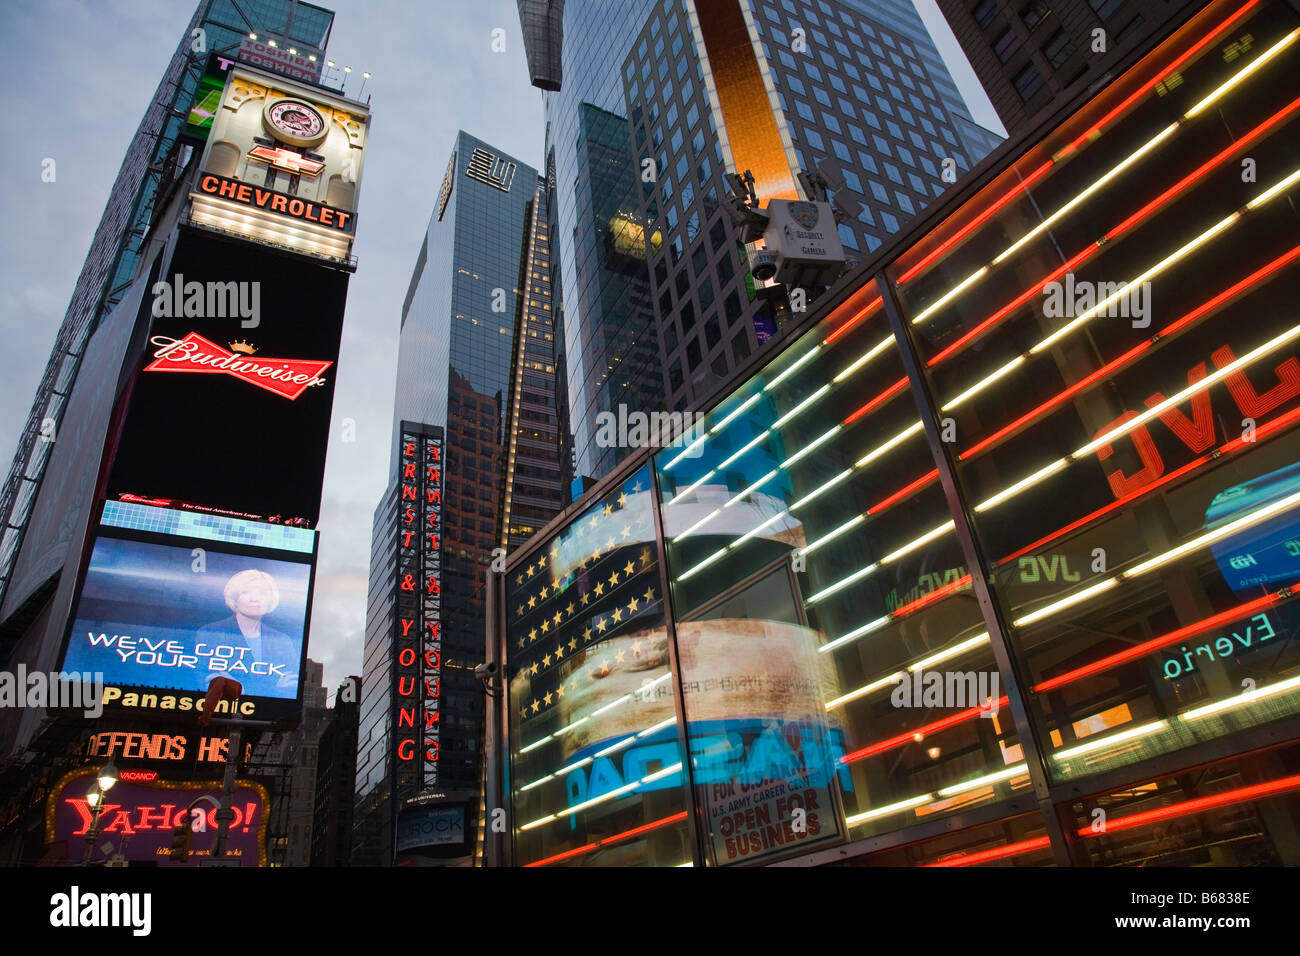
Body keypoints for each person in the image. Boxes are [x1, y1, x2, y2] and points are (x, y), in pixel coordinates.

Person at [196, 569, 299, 698]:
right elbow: (204, 680)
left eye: (262, 593)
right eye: (245, 592)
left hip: (268, 712)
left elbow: (291, 684)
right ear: (234, 598)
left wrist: (238, 686)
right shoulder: (211, 633)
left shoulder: (282, 640)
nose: (254, 599)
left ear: (271, 599)